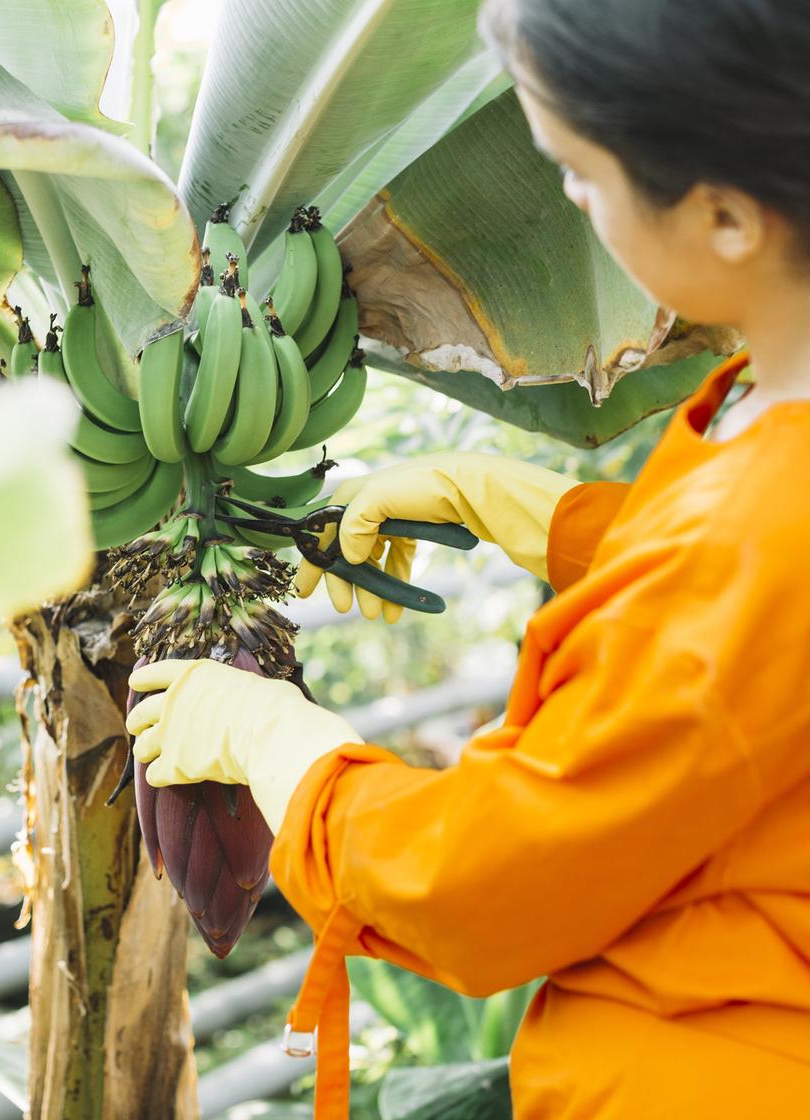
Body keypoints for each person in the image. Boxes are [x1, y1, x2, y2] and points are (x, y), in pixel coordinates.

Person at [127, 0, 810, 1114]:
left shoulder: (752, 531)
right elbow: (748, 639)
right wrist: (525, 509)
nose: (572, 208)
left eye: (579, 173)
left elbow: (485, 879)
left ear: (728, 215)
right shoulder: (769, 408)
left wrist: (277, 738)